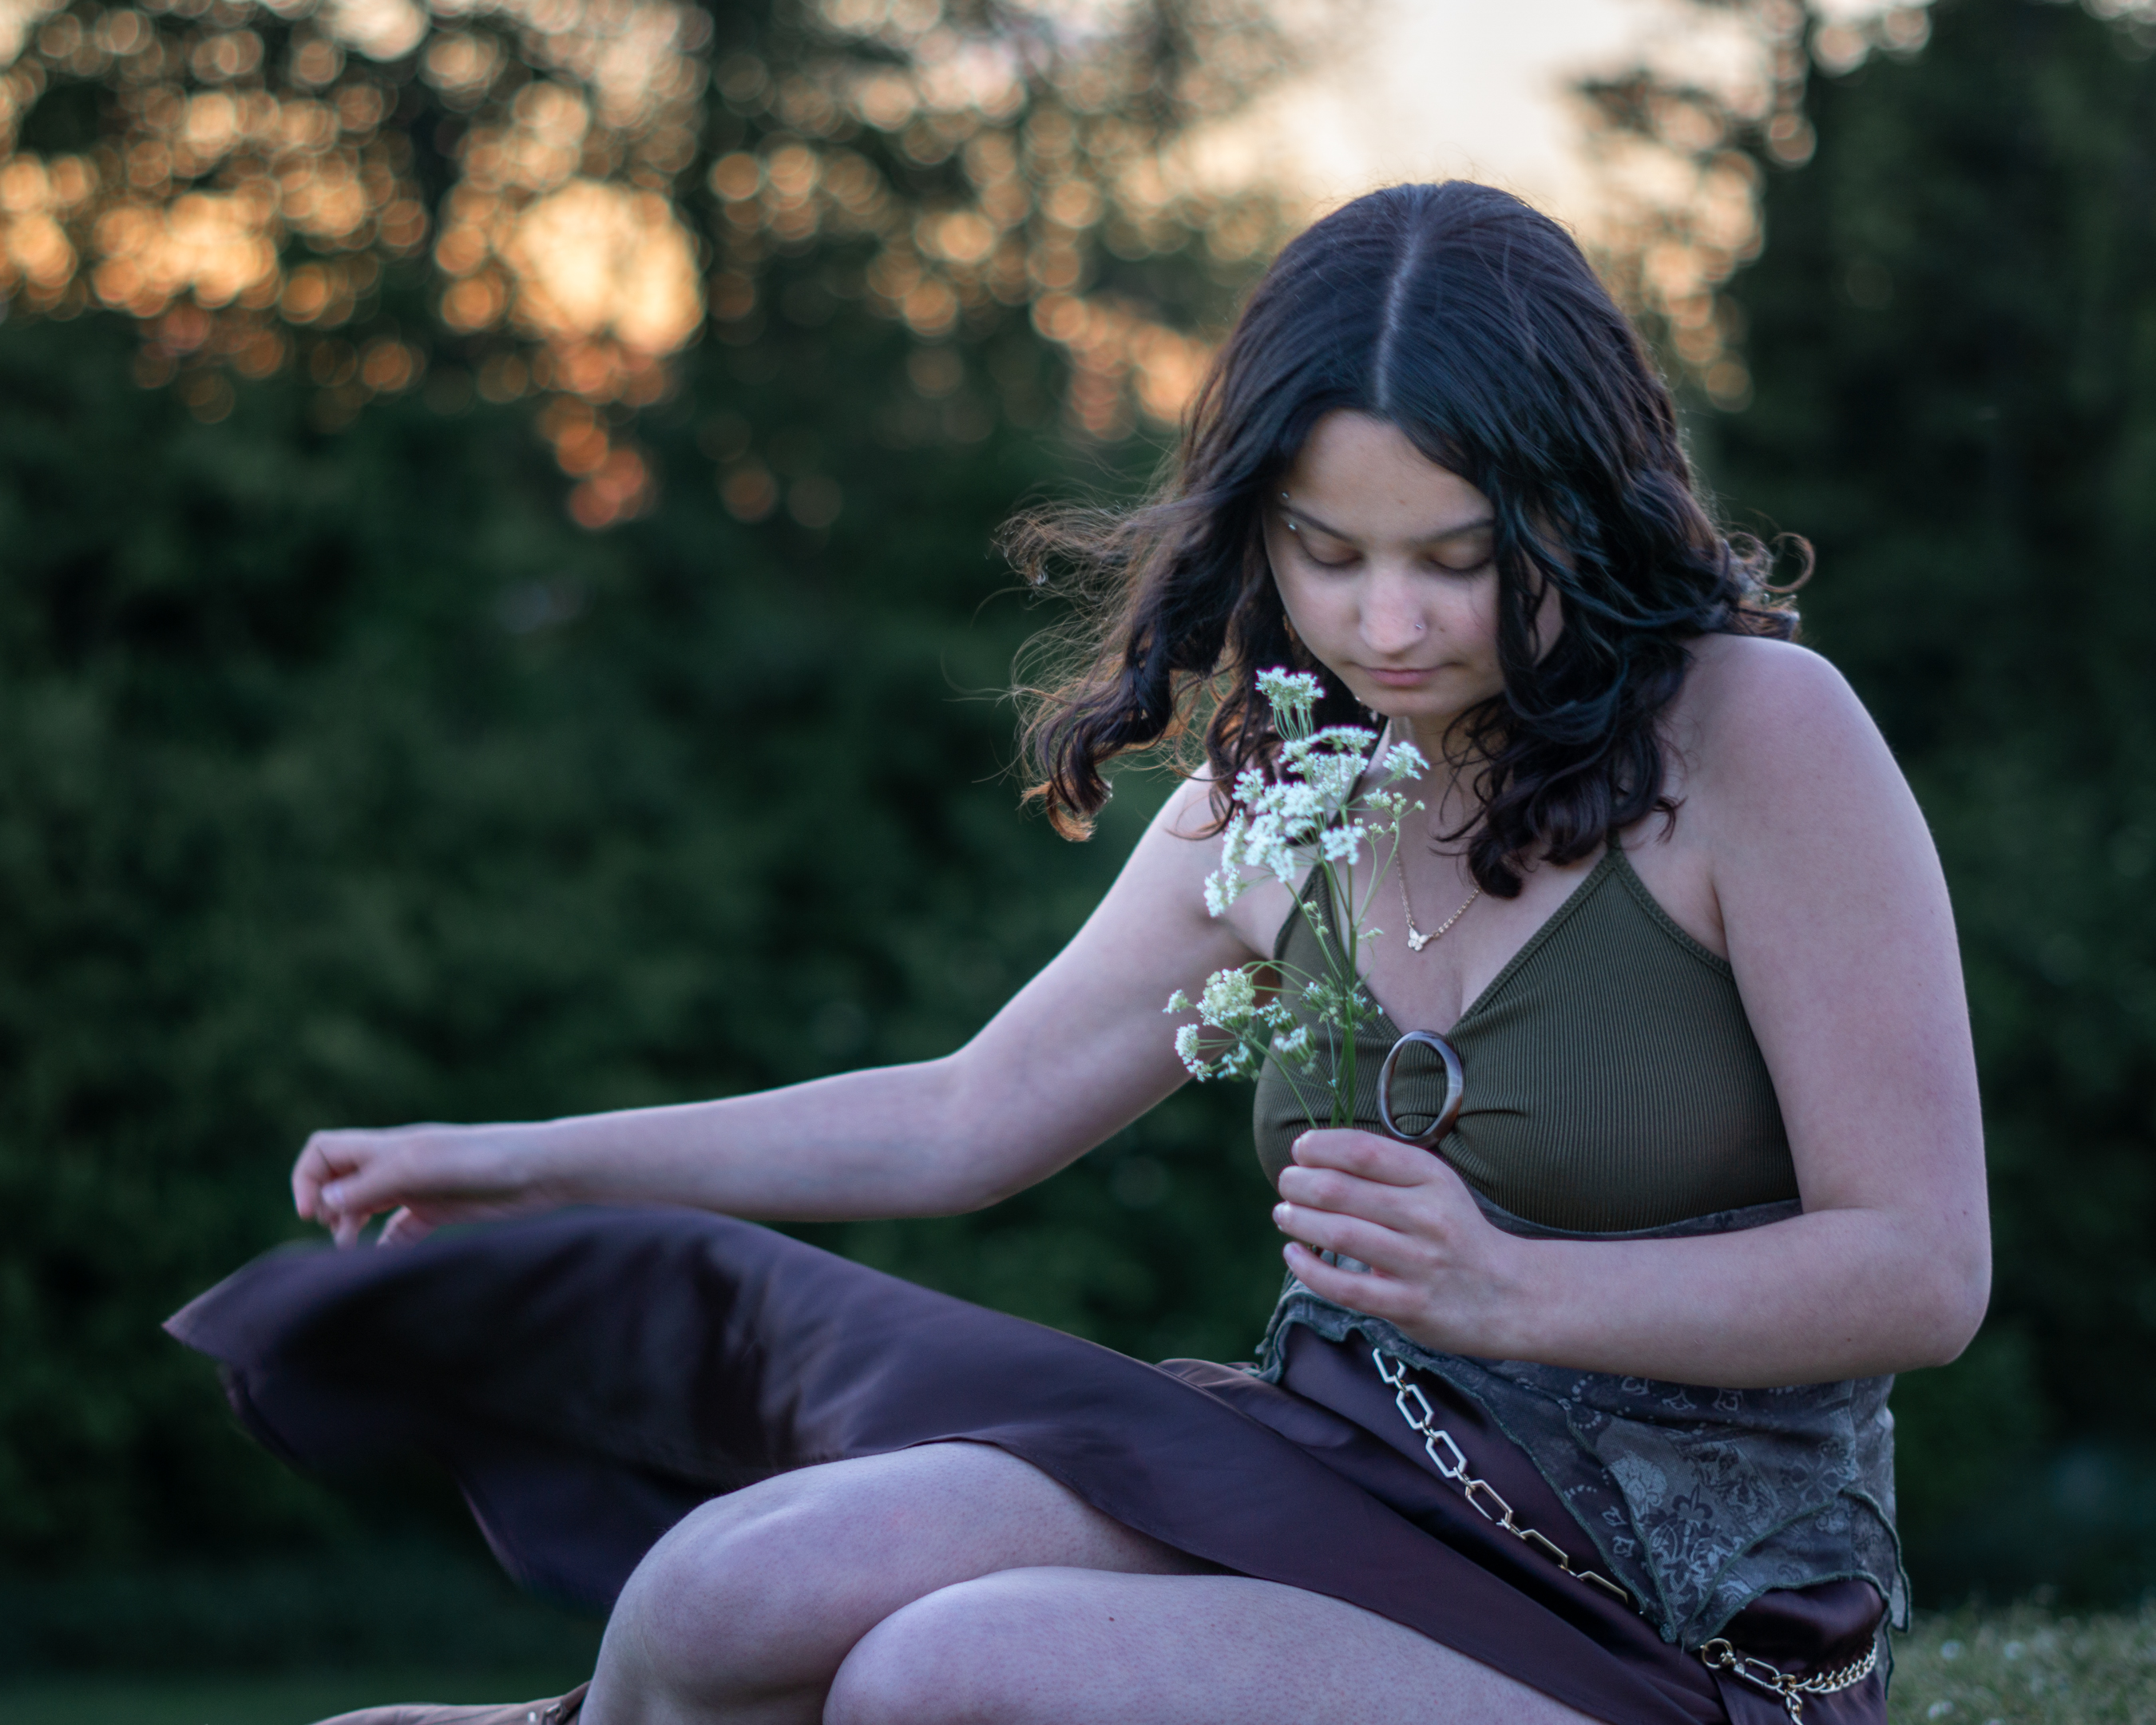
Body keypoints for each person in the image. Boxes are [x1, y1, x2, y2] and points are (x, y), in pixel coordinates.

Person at [168, 180, 1989, 1725]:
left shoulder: (1757, 737)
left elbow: (1921, 1270)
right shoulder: (1289, 781)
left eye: (1459, 556)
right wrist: (533, 1165)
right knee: (725, 1588)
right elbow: (968, 1115)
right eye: (1329, 554)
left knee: (950, 1675)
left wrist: (1512, 1293)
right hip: (1349, 1469)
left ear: (1584, 509)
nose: (1388, 622)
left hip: (1689, 1604)